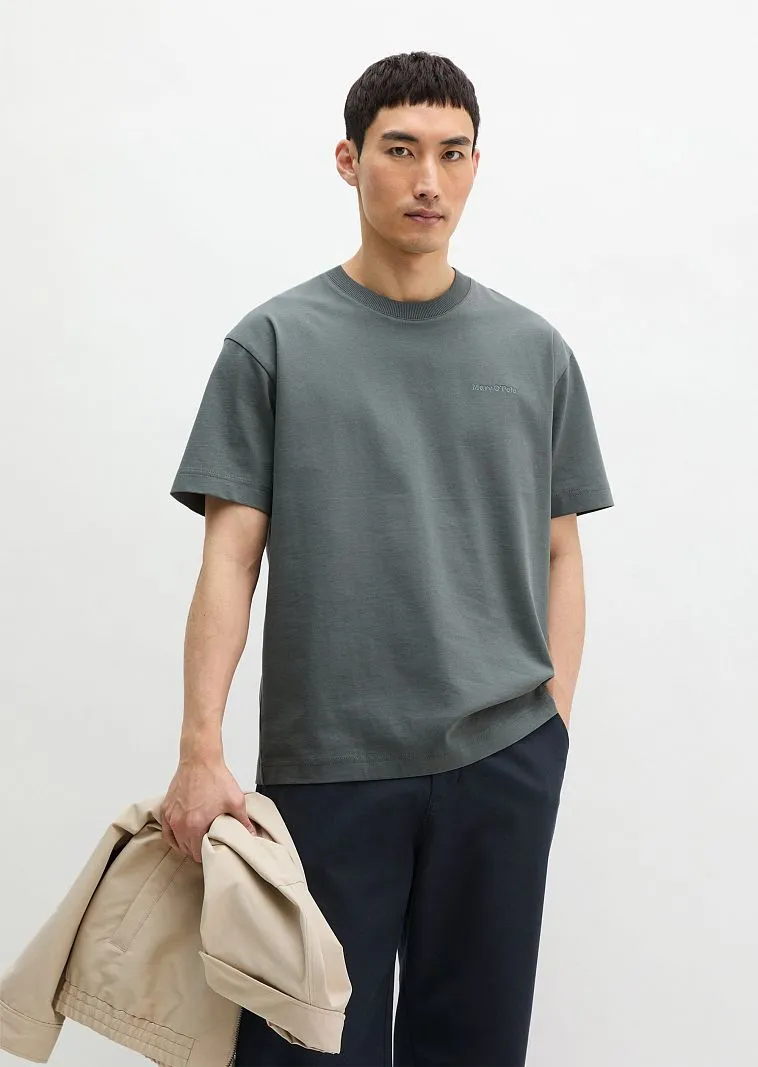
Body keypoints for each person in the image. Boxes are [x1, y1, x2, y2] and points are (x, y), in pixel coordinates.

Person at [161, 50, 614, 1067]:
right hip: (329, 766)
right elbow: (229, 559)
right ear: (347, 159)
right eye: (400, 150)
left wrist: (550, 721)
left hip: (500, 757)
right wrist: (200, 747)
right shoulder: (273, 343)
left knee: (475, 1045)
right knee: (306, 1046)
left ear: (475, 166)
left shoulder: (533, 350)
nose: (427, 180)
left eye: (452, 154)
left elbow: (562, 550)